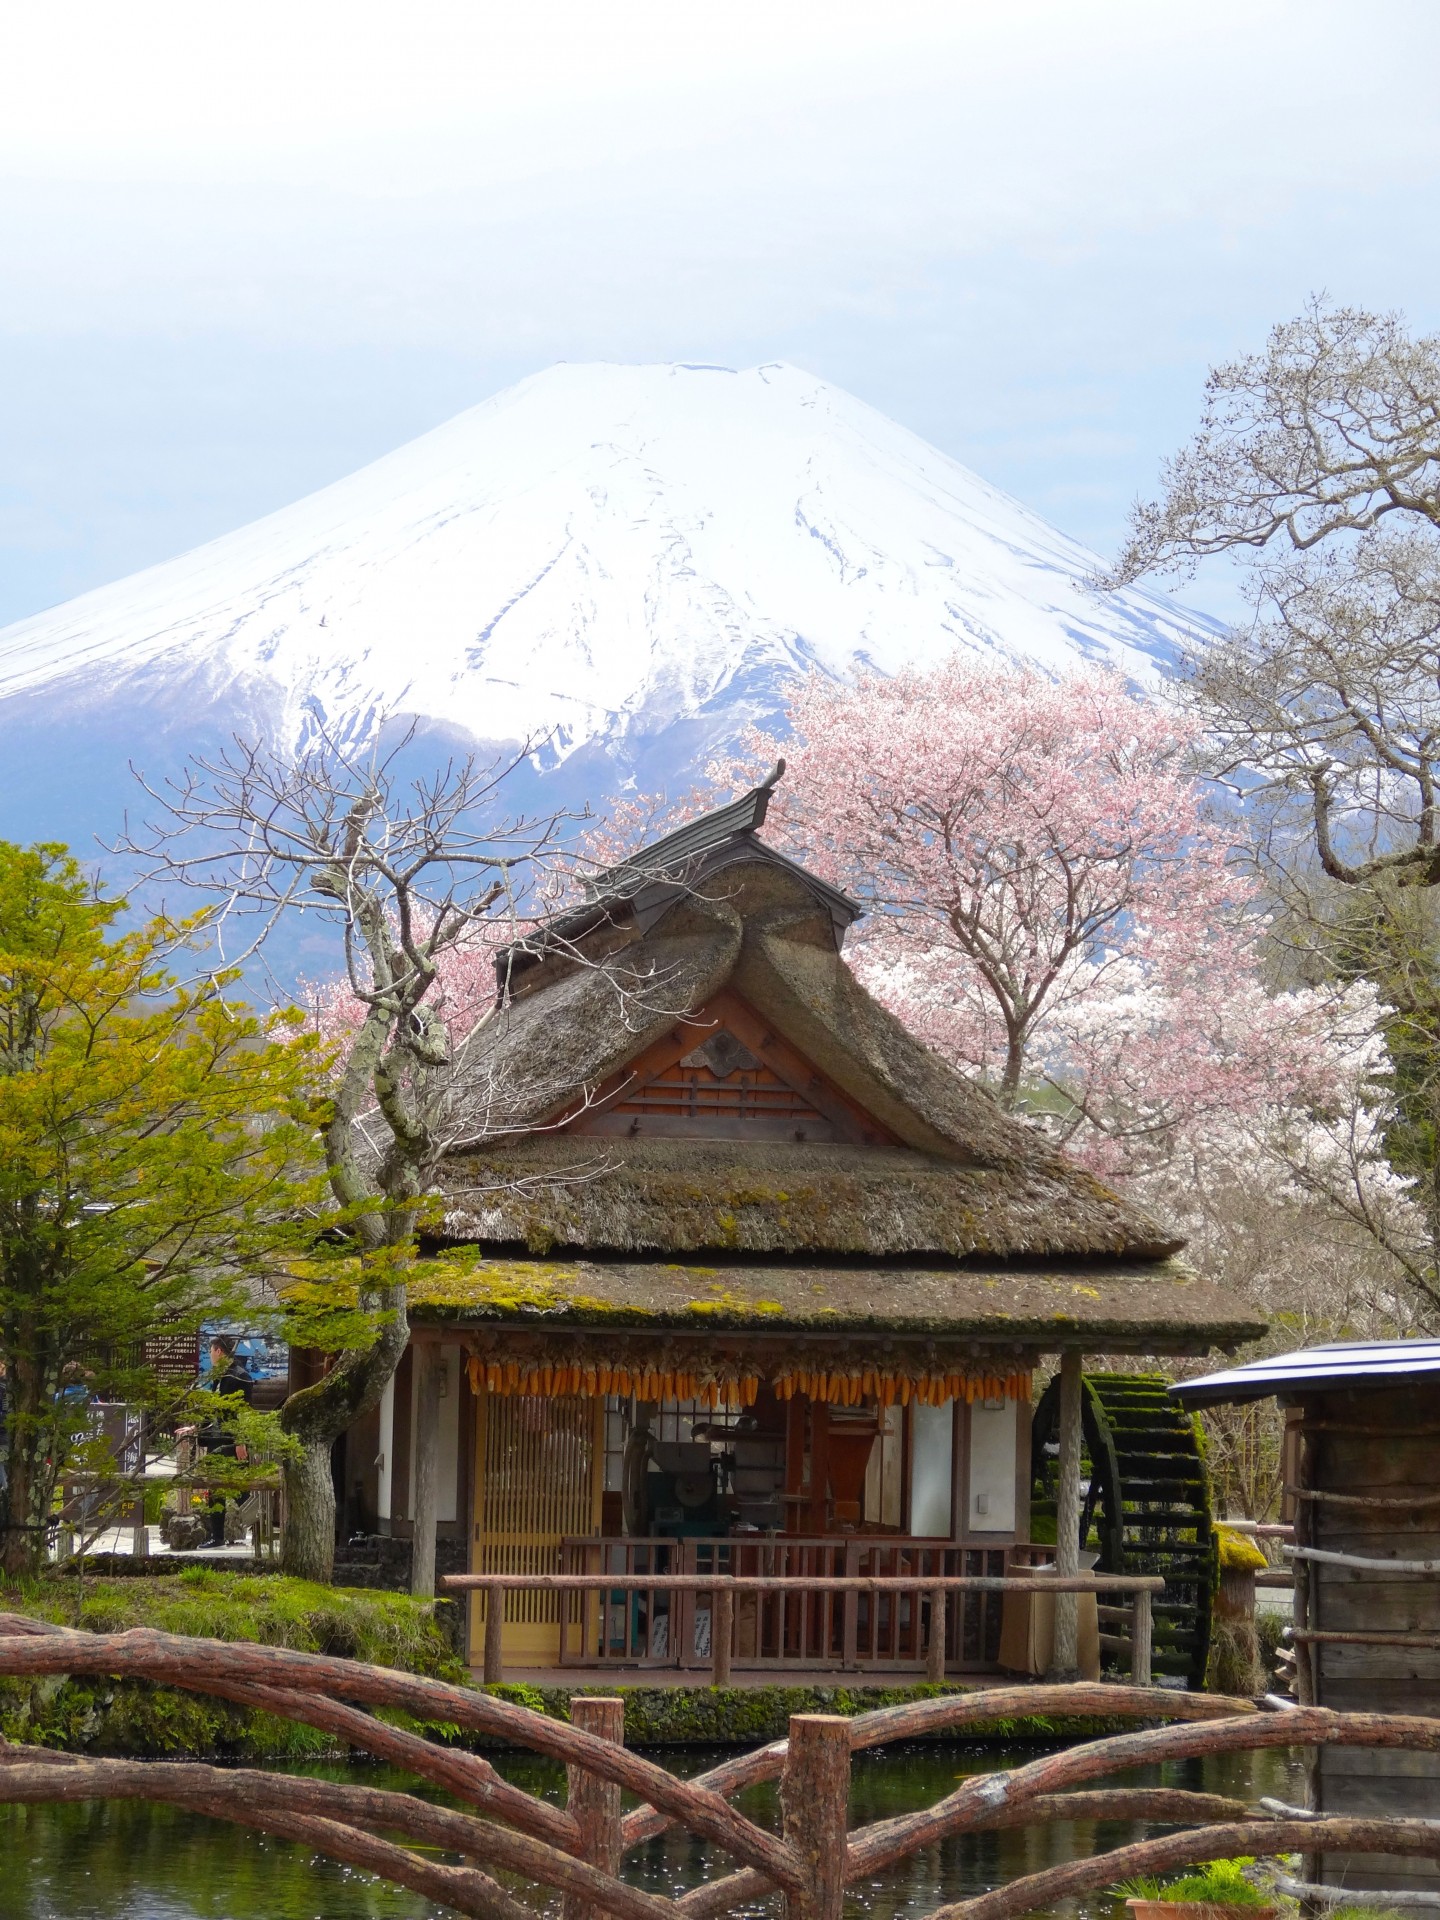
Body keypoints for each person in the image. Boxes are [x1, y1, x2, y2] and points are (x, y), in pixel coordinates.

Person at [198, 1335, 254, 1547]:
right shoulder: (220, 1375)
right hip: (215, 1437)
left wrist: (241, 1439)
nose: (210, 1355)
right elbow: (214, 1408)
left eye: (211, 1350)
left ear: (218, 1351)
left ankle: (259, 1525)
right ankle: (217, 1536)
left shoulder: (239, 1376)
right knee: (214, 1488)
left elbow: (242, 1411)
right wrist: (197, 1427)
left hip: (231, 1440)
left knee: (238, 1489)